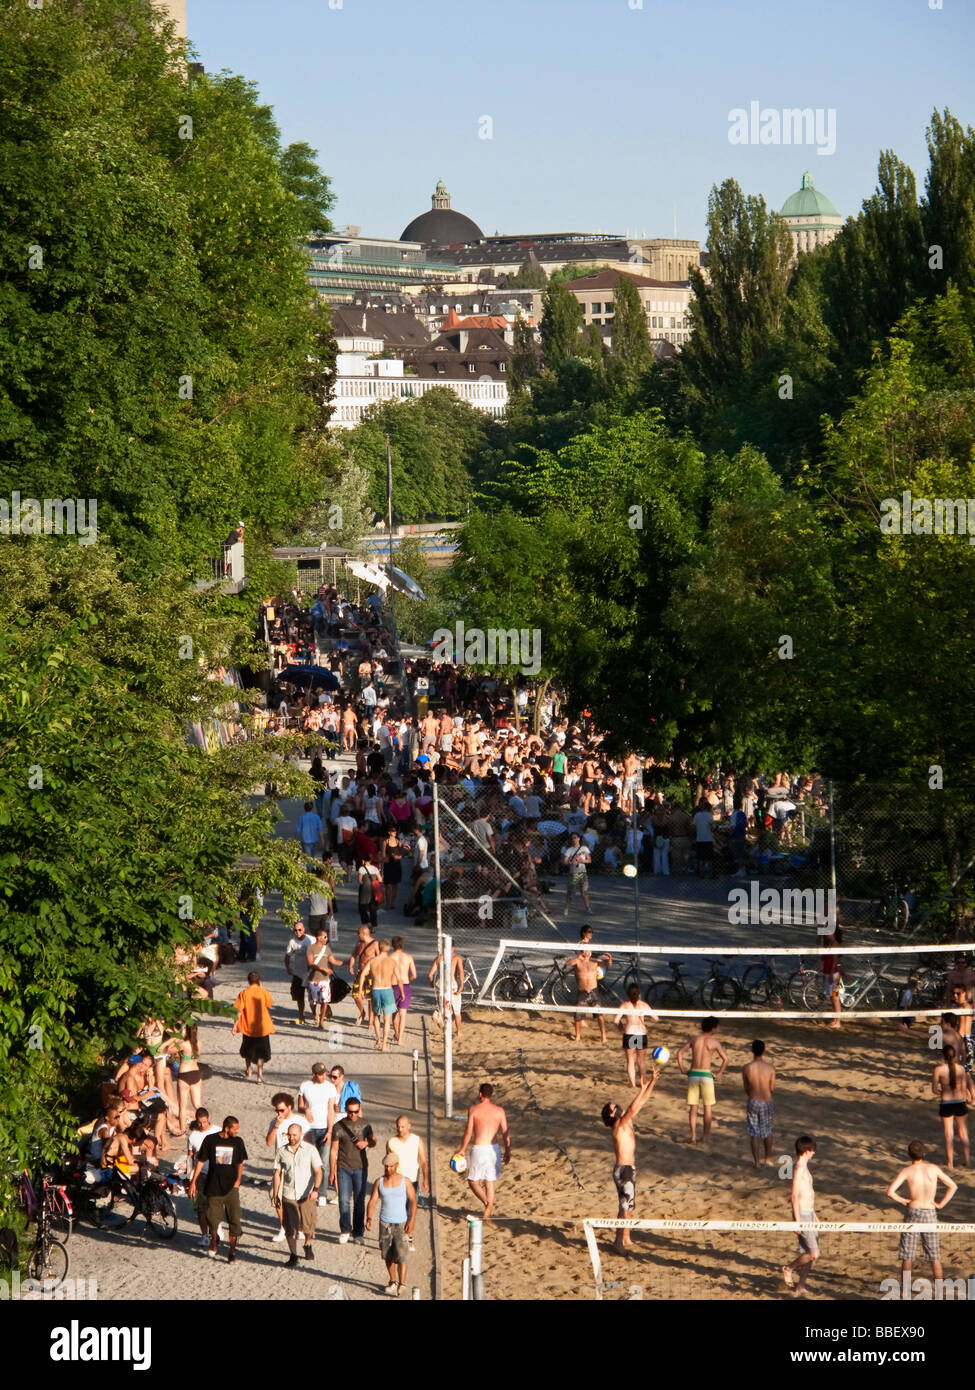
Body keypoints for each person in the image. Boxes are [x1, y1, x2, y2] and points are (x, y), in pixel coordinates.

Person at [886, 1140, 958, 1294]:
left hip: (913, 1212)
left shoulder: (907, 1171)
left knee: (907, 1254)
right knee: (934, 1255)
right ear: (923, 1153)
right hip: (930, 1212)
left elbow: (890, 1192)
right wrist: (941, 1204)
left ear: (909, 1154)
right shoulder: (933, 1169)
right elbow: (953, 1186)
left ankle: (905, 1291)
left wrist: (904, 1201)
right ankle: (939, 1290)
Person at [601, 1071, 659, 1252]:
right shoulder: (619, 1125)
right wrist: (641, 1089)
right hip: (623, 1170)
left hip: (629, 1169)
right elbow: (633, 1108)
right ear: (611, 1116)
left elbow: (640, 1103)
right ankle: (618, 1242)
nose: (618, 1107)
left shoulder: (626, 1122)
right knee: (624, 1207)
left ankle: (626, 1238)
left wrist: (651, 1084)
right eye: (615, 1108)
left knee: (630, 1206)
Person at [189, 1115, 247, 1264]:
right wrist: (193, 1181)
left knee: (234, 1220)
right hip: (213, 1186)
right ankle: (214, 1238)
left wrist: (238, 1180)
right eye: (235, 1129)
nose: (237, 1131)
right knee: (212, 1218)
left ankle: (232, 1252)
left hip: (231, 1188)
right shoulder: (211, 1140)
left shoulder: (238, 1142)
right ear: (227, 1128)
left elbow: (240, 1163)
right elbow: (201, 1161)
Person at [366, 1152, 418, 1296]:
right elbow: (373, 1200)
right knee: (387, 1254)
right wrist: (369, 1218)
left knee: (402, 1255)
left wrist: (411, 1220)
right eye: (386, 1166)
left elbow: (413, 1201)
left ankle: (402, 1283)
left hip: (401, 1222)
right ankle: (392, 1280)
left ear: (396, 1165)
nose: (388, 1169)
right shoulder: (379, 1182)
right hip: (385, 1223)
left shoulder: (405, 1181)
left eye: (390, 1166)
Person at [455, 1083, 510, 1219]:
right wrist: (508, 1150)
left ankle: (487, 1202)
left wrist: (462, 1149)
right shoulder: (499, 1111)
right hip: (494, 1149)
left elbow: (468, 1132)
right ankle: (488, 1210)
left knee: (473, 1181)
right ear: (491, 1095)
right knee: (489, 1180)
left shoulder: (474, 1110)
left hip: (479, 1148)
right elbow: (505, 1133)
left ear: (480, 1094)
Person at [272, 1123, 323, 1267]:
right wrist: (276, 1194)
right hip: (288, 1194)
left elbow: (318, 1171)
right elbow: (277, 1173)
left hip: (306, 1194)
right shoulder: (281, 1151)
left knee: (308, 1225)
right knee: (290, 1227)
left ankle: (307, 1244)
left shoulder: (310, 1150)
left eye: (294, 1135)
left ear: (300, 1134)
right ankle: (293, 1255)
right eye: (289, 1135)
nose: (291, 1138)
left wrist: (316, 1189)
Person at [329, 1094, 375, 1244]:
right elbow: (333, 1150)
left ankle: (358, 1232)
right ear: (345, 1110)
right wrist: (331, 1170)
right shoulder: (338, 1126)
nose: (353, 1115)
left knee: (359, 1201)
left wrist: (366, 1143)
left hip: (361, 1168)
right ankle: (345, 1229)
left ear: (359, 1109)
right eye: (350, 1112)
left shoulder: (365, 1124)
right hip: (343, 1168)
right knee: (343, 1200)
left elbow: (374, 1141)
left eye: (355, 1111)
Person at [676, 1017, 729, 1144]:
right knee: (707, 1107)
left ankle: (693, 1136)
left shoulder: (694, 1039)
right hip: (706, 1075)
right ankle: (705, 1136)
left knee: (693, 1107)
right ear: (713, 1028)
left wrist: (683, 1069)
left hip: (693, 1073)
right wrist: (718, 1074)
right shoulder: (714, 1042)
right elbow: (725, 1060)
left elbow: (679, 1053)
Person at [781, 1136, 818, 1294]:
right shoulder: (798, 1168)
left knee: (807, 1253)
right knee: (813, 1253)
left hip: (809, 1213)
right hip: (802, 1215)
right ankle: (788, 1268)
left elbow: (809, 1193)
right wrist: (797, 1220)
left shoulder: (805, 1168)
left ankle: (800, 1285)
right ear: (807, 1151)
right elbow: (795, 1195)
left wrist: (814, 1215)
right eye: (812, 1150)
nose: (814, 1153)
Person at [932, 1043, 975, 1168]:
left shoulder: (938, 1070)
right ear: (955, 1056)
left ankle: (950, 1163)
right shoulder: (961, 1069)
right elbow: (963, 1088)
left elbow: (934, 1089)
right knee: (963, 1133)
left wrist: (943, 1091)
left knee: (948, 1134)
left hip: (946, 1103)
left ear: (943, 1056)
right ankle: (967, 1161)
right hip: (959, 1102)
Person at [386, 1115, 430, 1237]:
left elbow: (423, 1161)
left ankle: (409, 1237)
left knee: (411, 1211)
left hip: (412, 1181)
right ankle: (396, 1237)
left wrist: (426, 1179)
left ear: (409, 1126)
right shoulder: (391, 1142)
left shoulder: (417, 1140)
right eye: (398, 1127)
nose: (400, 1129)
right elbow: (388, 1164)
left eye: (403, 1127)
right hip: (396, 1182)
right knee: (396, 1211)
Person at [233, 972, 275, 1083]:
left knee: (247, 1050)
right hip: (262, 1028)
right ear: (259, 981)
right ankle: (259, 1076)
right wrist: (261, 988)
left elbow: (238, 1011)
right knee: (261, 1053)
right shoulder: (264, 992)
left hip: (248, 1027)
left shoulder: (244, 993)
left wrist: (235, 1025)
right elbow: (269, 1004)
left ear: (248, 981)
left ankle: (249, 1070)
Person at [613, 984, 658, 1087]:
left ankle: (632, 1083)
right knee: (641, 1060)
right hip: (641, 1033)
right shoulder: (643, 1005)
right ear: (639, 994)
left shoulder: (624, 1005)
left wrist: (621, 1028)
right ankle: (643, 1083)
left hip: (629, 1033)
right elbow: (656, 1018)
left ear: (627, 994)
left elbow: (616, 1021)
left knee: (630, 1060)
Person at [186, 1108, 219, 1246]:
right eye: (199, 1123)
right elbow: (189, 1157)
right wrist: (188, 1177)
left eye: (204, 1122)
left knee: (214, 1206)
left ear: (208, 1118)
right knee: (201, 1207)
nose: (202, 1125)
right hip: (200, 1175)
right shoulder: (193, 1136)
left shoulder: (218, 1131)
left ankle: (215, 1232)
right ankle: (205, 1235)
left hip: (216, 1173)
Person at [566, 944, 609, 1044]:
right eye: (584, 950)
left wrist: (609, 959)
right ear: (581, 951)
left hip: (594, 991)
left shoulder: (595, 961)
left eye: (588, 949)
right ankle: (578, 1037)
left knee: (599, 1015)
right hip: (582, 992)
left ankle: (604, 1036)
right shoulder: (577, 961)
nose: (586, 951)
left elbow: (606, 964)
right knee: (577, 1016)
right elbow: (568, 963)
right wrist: (578, 957)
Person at [297, 1063, 338, 1169]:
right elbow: (299, 1106)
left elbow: (331, 1111)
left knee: (324, 1164)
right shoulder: (305, 1086)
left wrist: (329, 1131)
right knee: (308, 1161)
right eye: (321, 1074)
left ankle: (321, 1186)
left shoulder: (330, 1087)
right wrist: (306, 1109)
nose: (324, 1077)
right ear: (314, 1074)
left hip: (324, 1128)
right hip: (309, 1129)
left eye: (325, 1074)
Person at [742, 1040, 776, 1167]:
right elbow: (772, 1088)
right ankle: (767, 1158)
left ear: (752, 1051)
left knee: (753, 1132)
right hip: (766, 1100)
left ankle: (756, 1162)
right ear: (764, 1051)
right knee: (767, 1131)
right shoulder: (770, 1068)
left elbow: (746, 1086)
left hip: (753, 1100)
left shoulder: (747, 1068)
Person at [363, 940, 399, 1052]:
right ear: (389, 949)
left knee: (376, 1016)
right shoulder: (392, 962)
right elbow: (399, 979)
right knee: (387, 1019)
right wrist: (402, 992)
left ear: (379, 948)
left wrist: (360, 989)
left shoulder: (372, 961)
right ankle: (384, 1045)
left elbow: (363, 974)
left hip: (375, 989)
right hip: (387, 989)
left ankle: (378, 1039)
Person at [305, 927, 341, 1032]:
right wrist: (322, 968)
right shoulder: (310, 948)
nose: (326, 938)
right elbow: (310, 963)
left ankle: (321, 1021)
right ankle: (314, 1013)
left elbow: (333, 961)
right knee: (313, 1001)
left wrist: (347, 963)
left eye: (326, 937)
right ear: (318, 938)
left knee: (325, 1001)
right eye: (324, 937)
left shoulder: (327, 949)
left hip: (325, 980)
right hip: (313, 979)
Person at [428, 950, 464, 1038]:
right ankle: (459, 1031)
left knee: (444, 1010)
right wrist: (461, 985)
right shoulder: (456, 958)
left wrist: (432, 983)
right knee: (457, 1011)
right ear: (454, 948)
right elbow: (461, 972)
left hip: (441, 988)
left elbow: (430, 975)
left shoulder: (439, 958)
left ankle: (446, 1030)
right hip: (452, 987)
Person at [349, 924, 379, 1029]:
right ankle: (362, 1013)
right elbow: (353, 955)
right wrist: (351, 966)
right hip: (360, 971)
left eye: (359, 933)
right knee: (356, 995)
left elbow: (380, 958)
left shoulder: (375, 944)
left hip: (371, 973)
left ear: (364, 933)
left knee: (370, 998)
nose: (358, 935)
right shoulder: (359, 943)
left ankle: (370, 1021)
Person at [390, 936, 416, 1046]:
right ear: (402, 945)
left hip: (393, 986)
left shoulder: (390, 957)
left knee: (394, 1013)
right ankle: (400, 1038)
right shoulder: (409, 957)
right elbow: (414, 975)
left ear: (392, 945)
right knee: (403, 1014)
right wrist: (407, 980)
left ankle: (396, 1033)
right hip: (405, 985)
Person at [285, 920, 311, 1025]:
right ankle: (301, 1016)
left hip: (310, 972)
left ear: (304, 929)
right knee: (298, 996)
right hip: (298, 973)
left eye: (300, 930)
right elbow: (287, 955)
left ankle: (322, 1010)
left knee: (314, 994)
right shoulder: (292, 942)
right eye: (295, 930)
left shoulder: (311, 940)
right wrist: (287, 967)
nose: (298, 932)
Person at [561, 833, 592, 916]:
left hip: (583, 872)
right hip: (573, 873)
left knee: (584, 892)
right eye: (572, 838)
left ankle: (588, 908)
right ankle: (566, 908)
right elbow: (564, 861)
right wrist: (571, 862)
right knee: (570, 892)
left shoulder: (584, 848)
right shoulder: (569, 850)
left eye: (575, 838)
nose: (573, 839)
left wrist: (582, 861)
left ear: (579, 838)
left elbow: (589, 860)